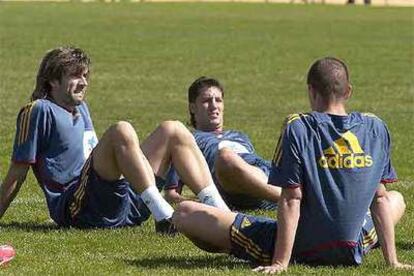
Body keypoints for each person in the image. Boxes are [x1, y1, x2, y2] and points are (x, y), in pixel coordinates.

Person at [172, 57, 413, 273]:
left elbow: (291, 199)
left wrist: (280, 262)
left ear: (311, 91)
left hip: (303, 243)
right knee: (396, 198)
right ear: (348, 91)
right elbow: (379, 199)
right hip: (352, 244)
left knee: (185, 214)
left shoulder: (299, 126)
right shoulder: (376, 127)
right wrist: (392, 261)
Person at [0, 46, 229, 230]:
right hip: (79, 208)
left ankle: (223, 212)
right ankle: (163, 216)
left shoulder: (82, 108)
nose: (84, 82)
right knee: (122, 130)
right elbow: (18, 171)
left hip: (117, 201)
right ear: (53, 80)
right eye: (75, 75)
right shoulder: (39, 110)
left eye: (85, 75)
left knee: (174, 129)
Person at [163, 77, 281, 210]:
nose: (214, 106)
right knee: (225, 156)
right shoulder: (186, 139)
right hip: (232, 182)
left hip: (264, 171)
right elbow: (171, 194)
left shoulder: (239, 135)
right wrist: (207, 201)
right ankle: (290, 198)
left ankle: (291, 194)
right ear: (192, 108)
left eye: (218, 100)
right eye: (207, 101)